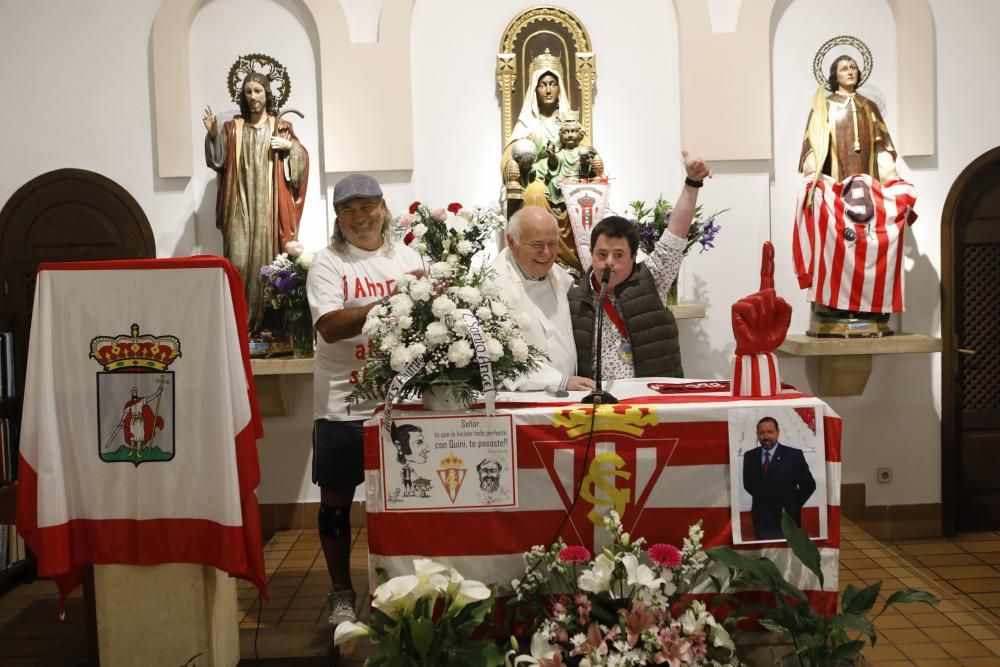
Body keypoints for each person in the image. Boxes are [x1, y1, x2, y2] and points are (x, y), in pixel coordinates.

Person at [306, 174, 423, 627]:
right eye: (348, 210)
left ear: (383, 208)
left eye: (366, 207)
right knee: (337, 501)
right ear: (337, 218)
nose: (359, 218)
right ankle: (340, 591)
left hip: (401, 402)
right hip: (344, 403)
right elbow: (330, 326)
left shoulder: (407, 257)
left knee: (409, 495)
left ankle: (406, 583)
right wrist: (388, 303)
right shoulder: (329, 263)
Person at [567, 151, 711, 380]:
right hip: (597, 405)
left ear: (633, 256)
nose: (609, 263)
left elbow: (674, 237)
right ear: (591, 254)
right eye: (602, 254)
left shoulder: (653, 278)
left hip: (651, 402)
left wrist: (693, 183)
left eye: (618, 255)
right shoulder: (574, 300)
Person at [204, 72, 309, 333]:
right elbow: (217, 162)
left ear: (267, 94)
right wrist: (215, 135)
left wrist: (289, 148)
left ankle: (271, 327)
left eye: (258, 91)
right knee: (237, 263)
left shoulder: (281, 126)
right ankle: (240, 327)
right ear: (243, 96)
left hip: (270, 208)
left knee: (272, 264)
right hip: (240, 203)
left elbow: (301, 161)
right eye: (248, 91)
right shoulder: (233, 129)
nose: (253, 96)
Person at [490, 206, 594, 392]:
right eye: (537, 245)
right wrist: (559, 381)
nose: (547, 253)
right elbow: (500, 359)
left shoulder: (560, 277)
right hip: (522, 400)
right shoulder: (492, 286)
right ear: (512, 242)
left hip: (570, 395)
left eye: (552, 244)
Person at [800, 55, 897, 185]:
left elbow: (881, 147)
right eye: (844, 69)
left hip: (868, 182)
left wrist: (890, 179)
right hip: (834, 185)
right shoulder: (824, 107)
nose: (850, 72)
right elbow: (813, 146)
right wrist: (813, 178)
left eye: (853, 68)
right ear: (835, 76)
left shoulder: (869, 106)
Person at [742, 417, 817, 541]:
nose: (765, 436)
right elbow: (748, 484)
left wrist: (791, 507)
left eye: (770, 432)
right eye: (761, 433)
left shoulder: (793, 455)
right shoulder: (750, 456)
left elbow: (808, 485)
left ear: (778, 432)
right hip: (761, 517)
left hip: (787, 519)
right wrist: (766, 501)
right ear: (757, 434)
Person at [534, 111, 604, 206]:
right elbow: (555, 166)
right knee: (553, 182)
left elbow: (585, 173)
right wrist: (552, 156)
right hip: (562, 179)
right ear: (561, 136)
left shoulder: (582, 151)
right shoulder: (562, 153)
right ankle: (558, 205)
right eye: (566, 132)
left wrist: (584, 163)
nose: (570, 135)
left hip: (578, 180)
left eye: (573, 131)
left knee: (569, 184)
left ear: (580, 134)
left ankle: (565, 205)